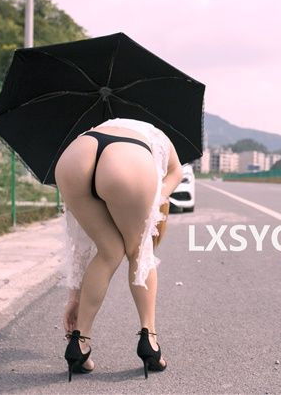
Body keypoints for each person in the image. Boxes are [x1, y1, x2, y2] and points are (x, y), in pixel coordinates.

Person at [54, 117, 183, 381]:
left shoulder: (97, 124)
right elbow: (176, 173)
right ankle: (149, 340)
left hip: (75, 155)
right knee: (139, 250)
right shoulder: (158, 134)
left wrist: (74, 298)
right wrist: (153, 200)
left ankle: (79, 342)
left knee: (109, 250)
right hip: (128, 159)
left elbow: (80, 244)